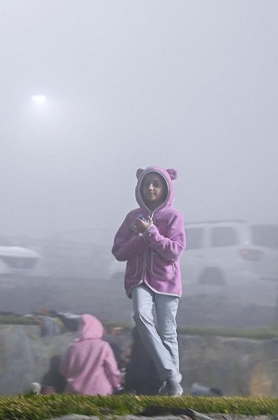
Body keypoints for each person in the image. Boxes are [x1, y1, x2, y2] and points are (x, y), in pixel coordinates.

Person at [112, 165, 186, 396]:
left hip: (167, 281)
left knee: (167, 333)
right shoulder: (132, 217)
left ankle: (172, 386)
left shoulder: (174, 216)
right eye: (146, 184)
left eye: (156, 184)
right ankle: (170, 373)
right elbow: (118, 252)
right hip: (138, 280)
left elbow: (175, 251)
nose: (151, 188)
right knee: (141, 316)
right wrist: (142, 237)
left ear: (166, 187)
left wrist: (150, 232)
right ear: (140, 187)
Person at [59, 314, 123, 395]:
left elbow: (64, 370)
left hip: (75, 393)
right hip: (101, 391)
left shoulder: (72, 347)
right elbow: (112, 370)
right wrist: (117, 385)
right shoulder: (103, 346)